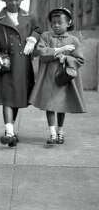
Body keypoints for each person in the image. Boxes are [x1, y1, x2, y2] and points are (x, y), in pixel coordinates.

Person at [0, 0, 41, 147]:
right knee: (7, 97)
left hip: (23, 63)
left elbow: (38, 30)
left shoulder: (29, 17)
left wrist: (33, 38)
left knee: (17, 97)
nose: (13, 2)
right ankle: (9, 131)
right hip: (6, 62)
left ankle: (10, 129)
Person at [29, 8, 86, 145]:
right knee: (49, 105)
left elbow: (79, 60)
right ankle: (52, 134)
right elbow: (41, 53)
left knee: (61, 105)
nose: (56, 25)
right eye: (53, 22)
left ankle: (60, 132)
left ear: (68, 23)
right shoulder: (46, 37)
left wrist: (66, 58)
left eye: (59, 22)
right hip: (49, 78)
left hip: (64, 80)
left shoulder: (74, 40)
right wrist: (56, 52)